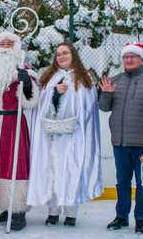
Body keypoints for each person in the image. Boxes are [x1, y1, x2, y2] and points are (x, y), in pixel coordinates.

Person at [27, 42, 102, 227]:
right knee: (52, 170)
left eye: (65, 53)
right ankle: (53, 212)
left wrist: (77, 121)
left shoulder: (84, 80)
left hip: (73, 136)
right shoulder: (49, 78)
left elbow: (89, 108)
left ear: (73, 55)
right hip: (51, 136)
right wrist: (54, 93)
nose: (61, 56)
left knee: (71, 171)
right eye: (58, 54)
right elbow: (42, 105)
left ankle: (71, 213)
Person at [0, 31, 39, 231]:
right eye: (2, 43)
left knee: (15, 164)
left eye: (9, 43)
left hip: (13, 122)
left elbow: (31, 100)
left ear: (15, 47)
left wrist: (28, 83)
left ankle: (19, 210)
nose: (5, 46)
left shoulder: (24, 69)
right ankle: (5, 206)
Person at [98, 42, 143, 234]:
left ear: (141, 59)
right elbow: (104, 107)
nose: (129, 60)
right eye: (126, 57)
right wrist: (106, 93)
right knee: (122, 181)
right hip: (120, 142)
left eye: (133, 56)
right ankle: (121, 216)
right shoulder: (115, 80)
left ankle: (141, 218)